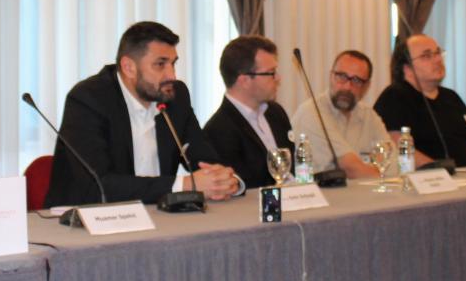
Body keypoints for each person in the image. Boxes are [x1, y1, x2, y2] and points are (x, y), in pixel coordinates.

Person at [43, 21, 240, 206]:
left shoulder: (176, 96)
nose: (172, 75)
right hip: (87, 218)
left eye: (173, 63)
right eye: (160, 64)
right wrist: (185, 184)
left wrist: (228, 180)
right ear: (129, 67)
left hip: (160, 215)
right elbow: (99, 185)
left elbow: (204, 158)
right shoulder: (89, 99)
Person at [373, 33, 466, 168]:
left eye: (438, 53)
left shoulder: (451, 96)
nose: (438, 59)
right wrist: (439, 172)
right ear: (407, 68)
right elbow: (396, 145)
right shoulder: (394, 96)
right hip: (435, 177)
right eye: (426, 56)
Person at [202, 36, 293, 189]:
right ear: (244, 80)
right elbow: (241, 187)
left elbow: (293, 167)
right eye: (271, 73)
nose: (278, 78)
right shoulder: (218, 131)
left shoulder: (276, 113)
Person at [291, 49, 388, 179]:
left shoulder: (369, 116)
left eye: (356, 80)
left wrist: (383, 174)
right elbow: (350, 169)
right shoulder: (311, 113)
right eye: (341, 76)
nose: (347, 87)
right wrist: (383, 176)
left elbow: (391, 160)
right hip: (320, 191)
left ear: (367, 86)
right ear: (331, 76)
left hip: (365, 190)